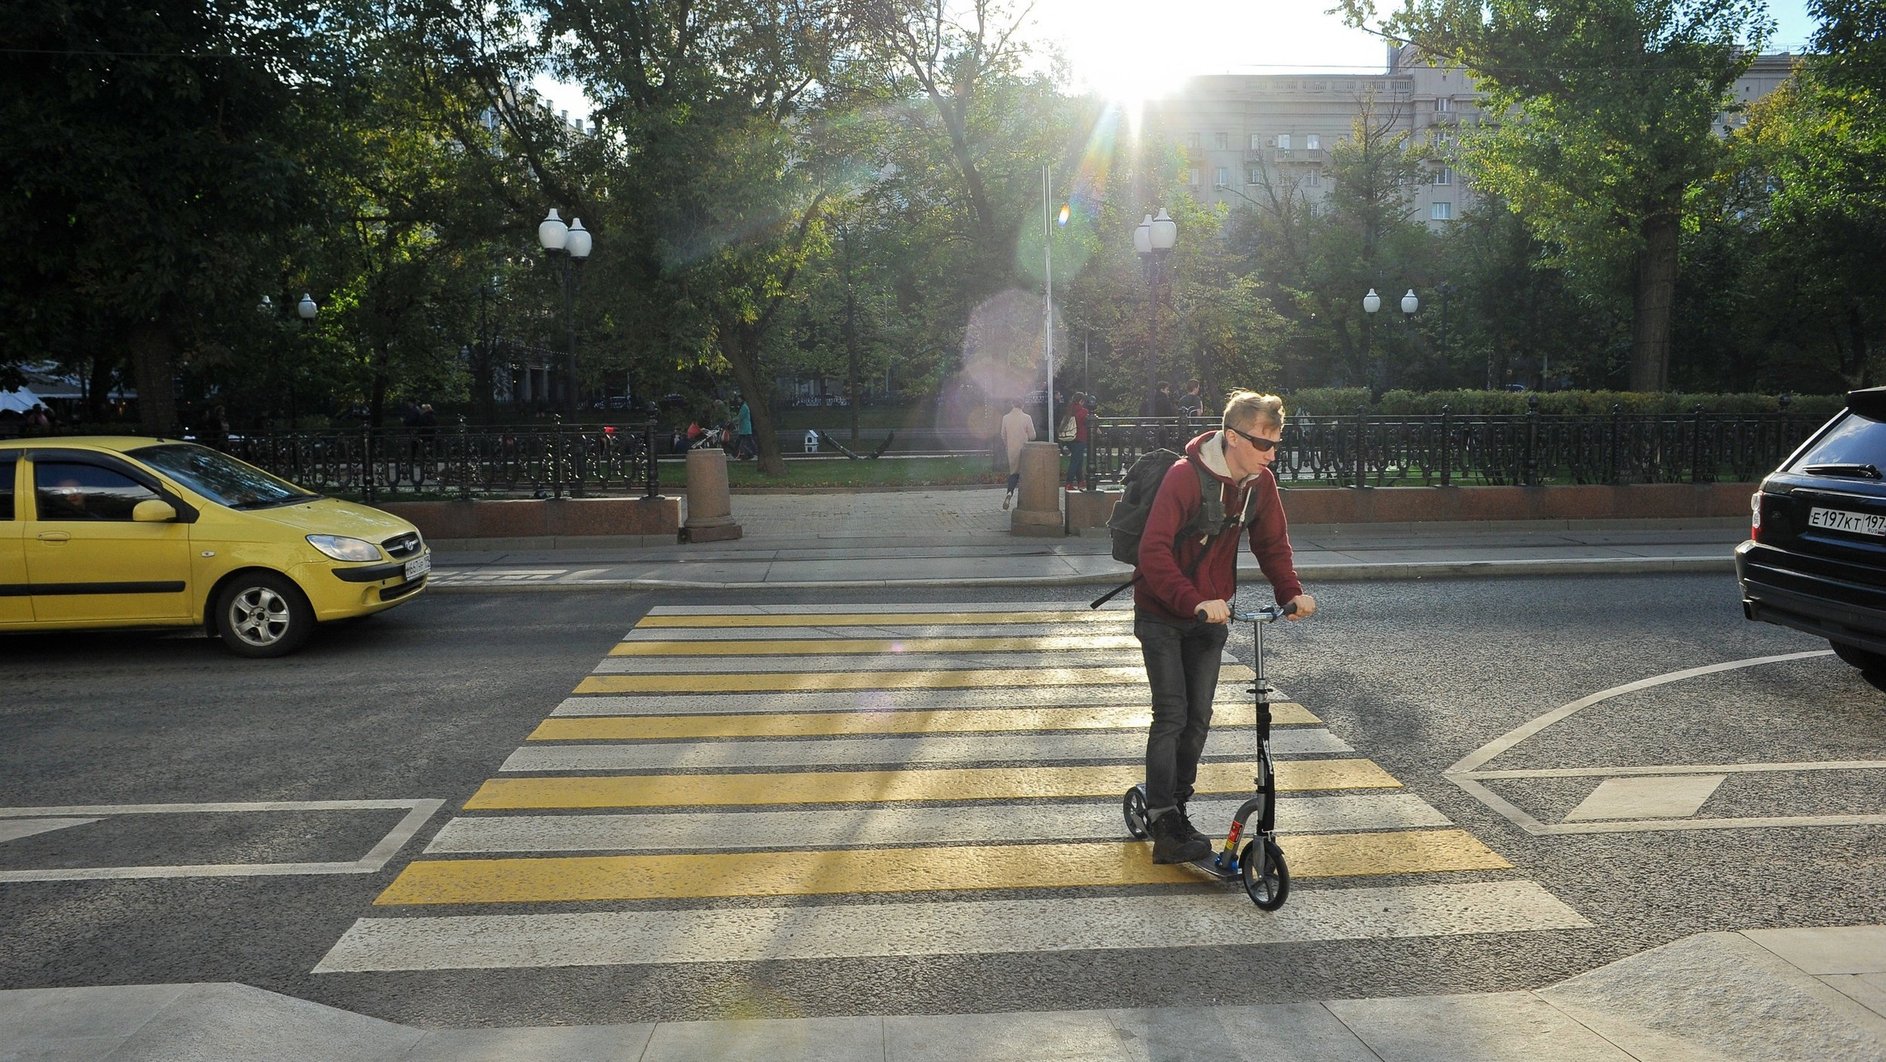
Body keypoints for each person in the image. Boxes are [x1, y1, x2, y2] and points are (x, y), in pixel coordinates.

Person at [1134, 389, 1317, 864]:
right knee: (1172, 715)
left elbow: (1273, 544)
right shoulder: (1184, 478)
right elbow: (1152, 552)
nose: (1271, 453)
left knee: (1197, 722)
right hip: (1162, 612)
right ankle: (1163, 818)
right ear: (1233, 438)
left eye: (1277, 443)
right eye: (1263, 443)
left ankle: (1177, 804)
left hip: (1209, 615)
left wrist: (1289, 593)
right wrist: (1193, 601)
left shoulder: (1260, 484)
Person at [999, 398, 1036, 510]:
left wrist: (1007, 444)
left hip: (1011, 449)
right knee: (1025, 474)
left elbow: (1003, 434)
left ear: (1012, 404)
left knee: (1014, 473)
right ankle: (1026, 501)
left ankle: (1010, 492)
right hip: (1025, 449)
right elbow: (1033, 436)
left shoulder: (1005, 418)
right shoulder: (1027, 418)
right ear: (1023, 405)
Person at [1064, 391, 1092, 491]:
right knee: (1075, 461)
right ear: (1081, 401)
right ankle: (1069, 483)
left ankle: (1081, 481)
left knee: (1078, 460)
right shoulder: (1083, 411)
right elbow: (1088, 422)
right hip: (1080, 438)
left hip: (1069, 438)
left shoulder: (1069, 409)